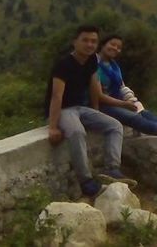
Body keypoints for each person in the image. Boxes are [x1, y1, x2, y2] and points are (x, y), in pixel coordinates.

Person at [44, 25, 135, 198]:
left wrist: (96, 110)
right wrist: (53, 127)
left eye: (93, 41)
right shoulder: (63, 65)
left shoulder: (92, 61)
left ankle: (112, 170)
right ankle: (86, 181)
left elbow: (94, 87)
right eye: (85, 40)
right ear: (75, 42)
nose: (89, 44)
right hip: (64, 109)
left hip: (81, 108)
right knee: (77, 132)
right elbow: (56, 96)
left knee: (115, 126)